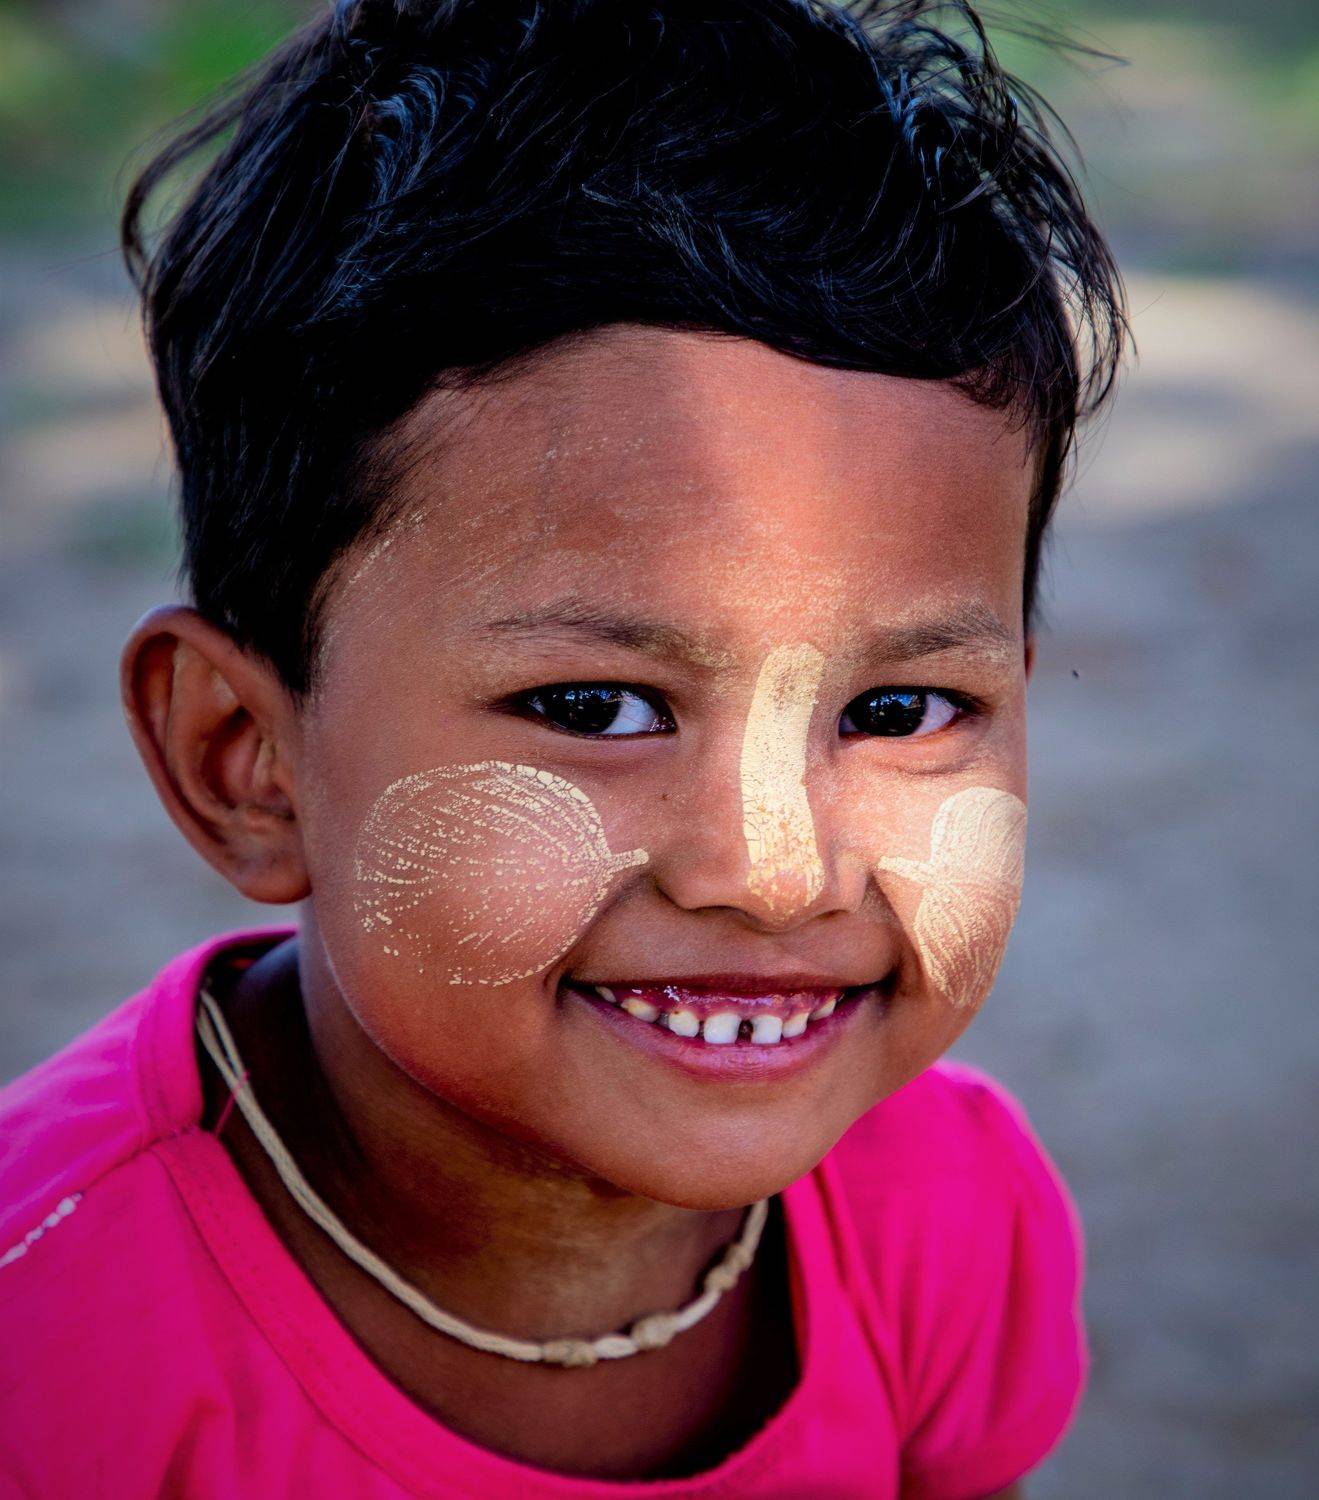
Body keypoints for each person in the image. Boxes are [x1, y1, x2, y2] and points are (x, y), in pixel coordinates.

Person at [0, 1, 1125, 1495]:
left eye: (898, 711)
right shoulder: (48, 1339)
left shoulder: (948, 1208)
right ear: (247, 761)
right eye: (597, 709)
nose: (774, 875)